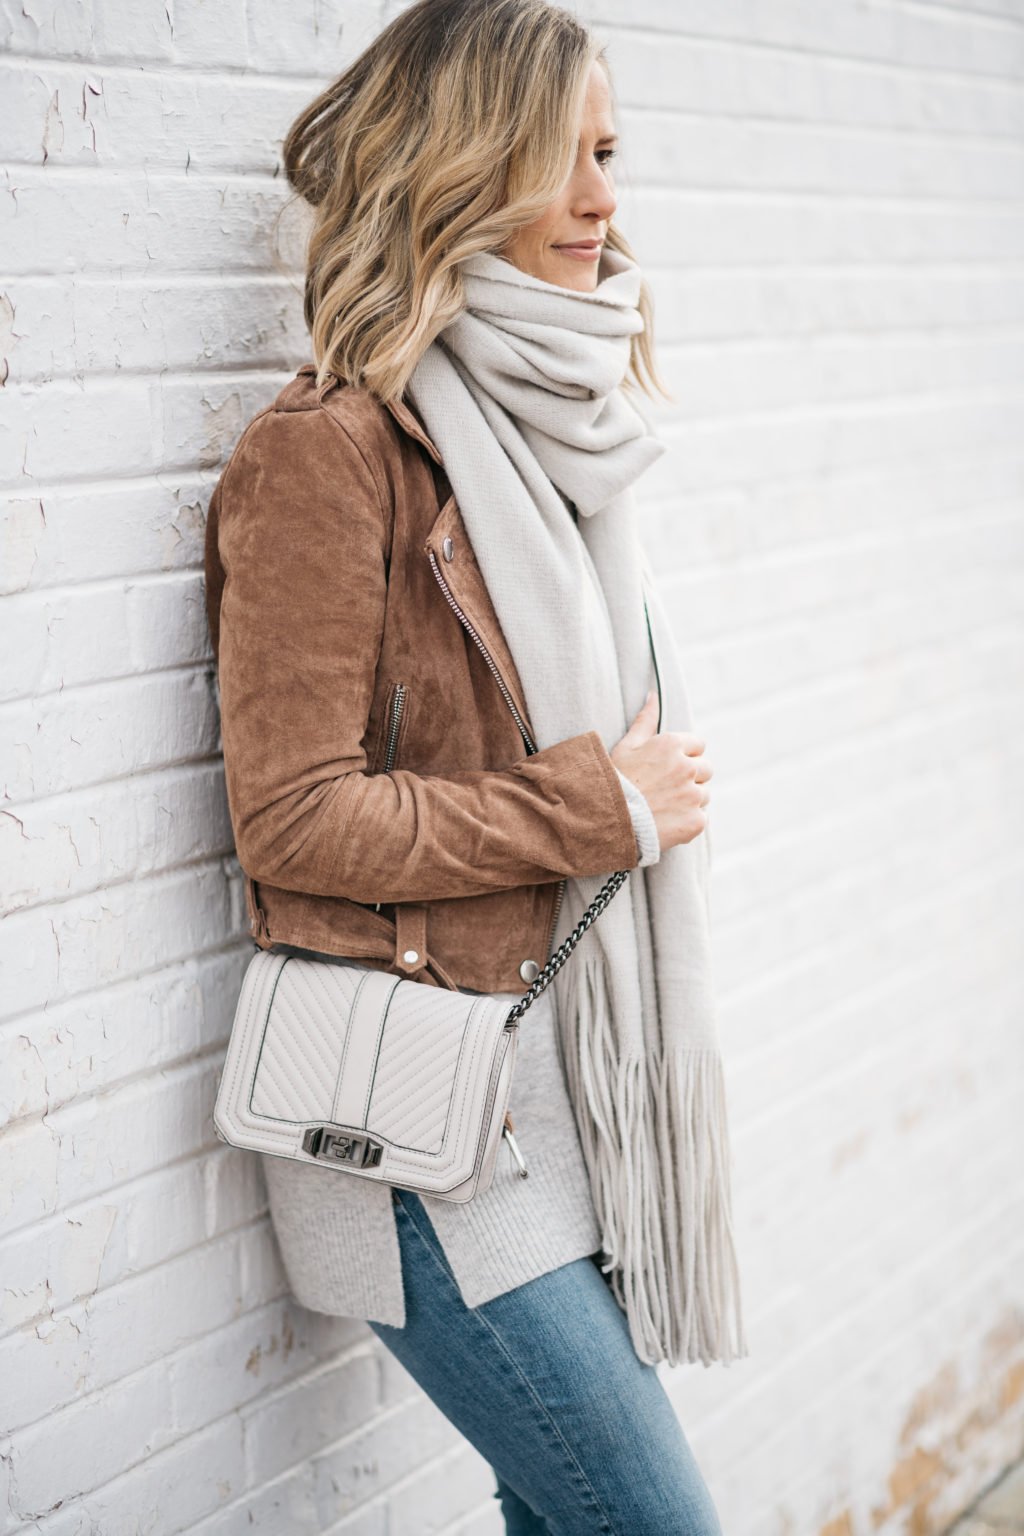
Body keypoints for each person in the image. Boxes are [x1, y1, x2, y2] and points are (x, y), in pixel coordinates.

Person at [203, 1, 747, 1530]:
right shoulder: (326, 453)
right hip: (422, 1128)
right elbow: (292, 815)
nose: (603, 201)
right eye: (556, 160)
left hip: (565, 1092)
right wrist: (602, 805)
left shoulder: (560, 442)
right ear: (455, 167)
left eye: (610, 155)